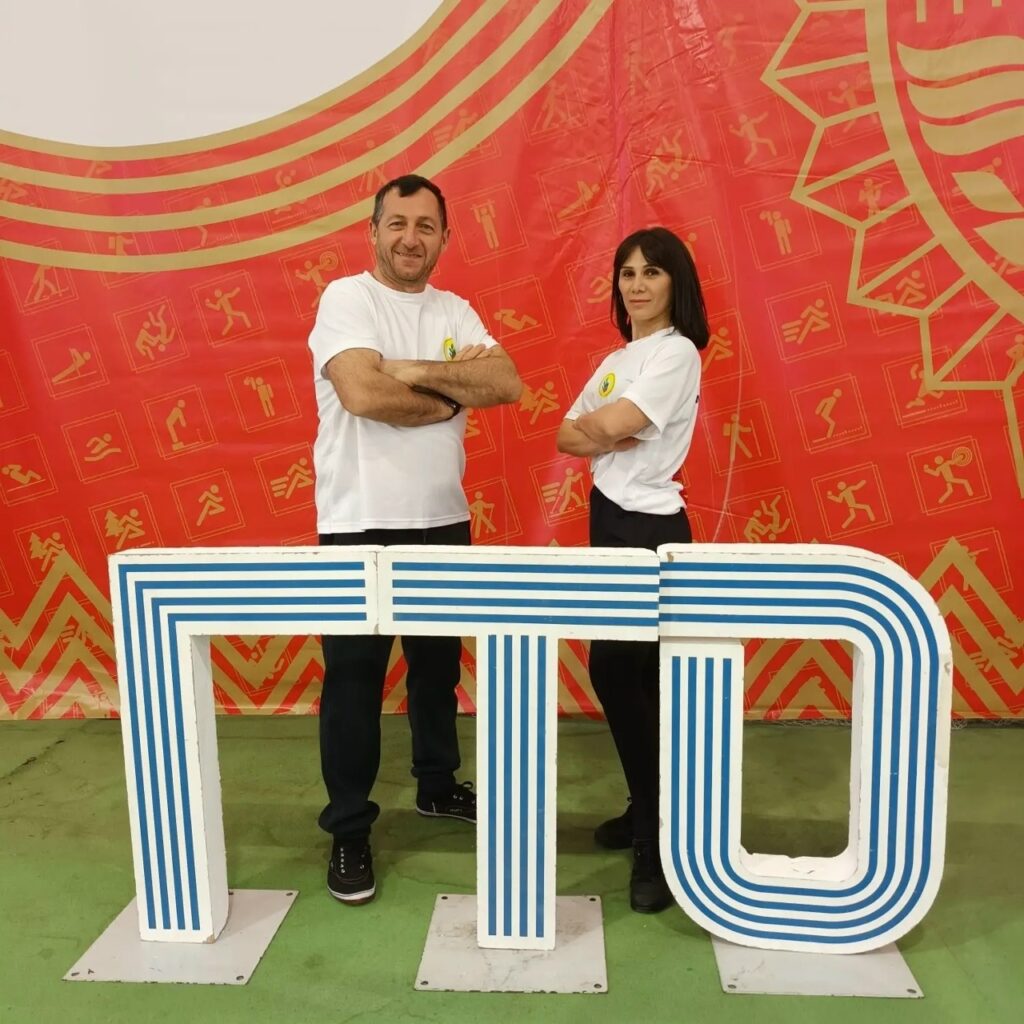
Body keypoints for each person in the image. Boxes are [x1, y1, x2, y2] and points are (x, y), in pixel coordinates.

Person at [307, 174, 523, 905]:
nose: (410, 238)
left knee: (436, 667)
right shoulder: (347, 299)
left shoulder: (454, 309)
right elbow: (362, 394)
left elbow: (505, 382)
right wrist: (448, 396)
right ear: (373, 231)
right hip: (358, 520)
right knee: (354, 681)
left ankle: (437, 784)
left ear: (444, 238)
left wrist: (410, 370)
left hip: (442, 518)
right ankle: (348, 827)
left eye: (426, 226)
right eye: (397, 223)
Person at [556, 227, 708, 912]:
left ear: (676, 283)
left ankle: (656, 839)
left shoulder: (676, 352)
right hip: (607, 519)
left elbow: (612, 422)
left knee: (628, 674)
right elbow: (566, 433)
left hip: (650, 526)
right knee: (626, 675)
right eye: (627, 273)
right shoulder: (617, 359)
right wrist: (606, 427)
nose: (637, 284)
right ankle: (648, 806)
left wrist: (605, 428)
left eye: (652, 272)